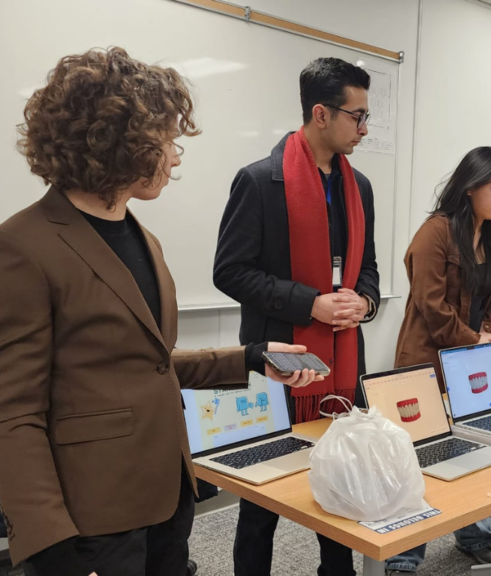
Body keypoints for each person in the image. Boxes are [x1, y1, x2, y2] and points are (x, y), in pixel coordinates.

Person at [0, 47, 320, 576]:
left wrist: (248, 357)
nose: (176, 157)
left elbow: (142, 365)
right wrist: (50, 547)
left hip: (166, 491)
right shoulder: (15, 250)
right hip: (91, 517)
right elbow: (12, 414)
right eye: (168, 140)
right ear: (120, 143)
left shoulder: (143, 238)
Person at [213, 57, 380, 576]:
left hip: (342, 366)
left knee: (341, 487)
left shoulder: (360, 187)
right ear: (321, 113)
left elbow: (367, 267)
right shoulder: (260, 182)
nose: (364, 128)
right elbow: (230, 272)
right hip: (278, 367)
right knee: (263, 501)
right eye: (357, 116)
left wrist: (364, 303)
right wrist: (309, 303)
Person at [390, 146, 491, 572]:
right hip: (426, 360)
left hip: (474, 360)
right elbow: (430, 304)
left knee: (474, 446)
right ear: (470, 187)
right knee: (419, 455)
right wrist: (472, 340)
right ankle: (405, 553)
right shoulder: (436, 231)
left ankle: (474, 534)